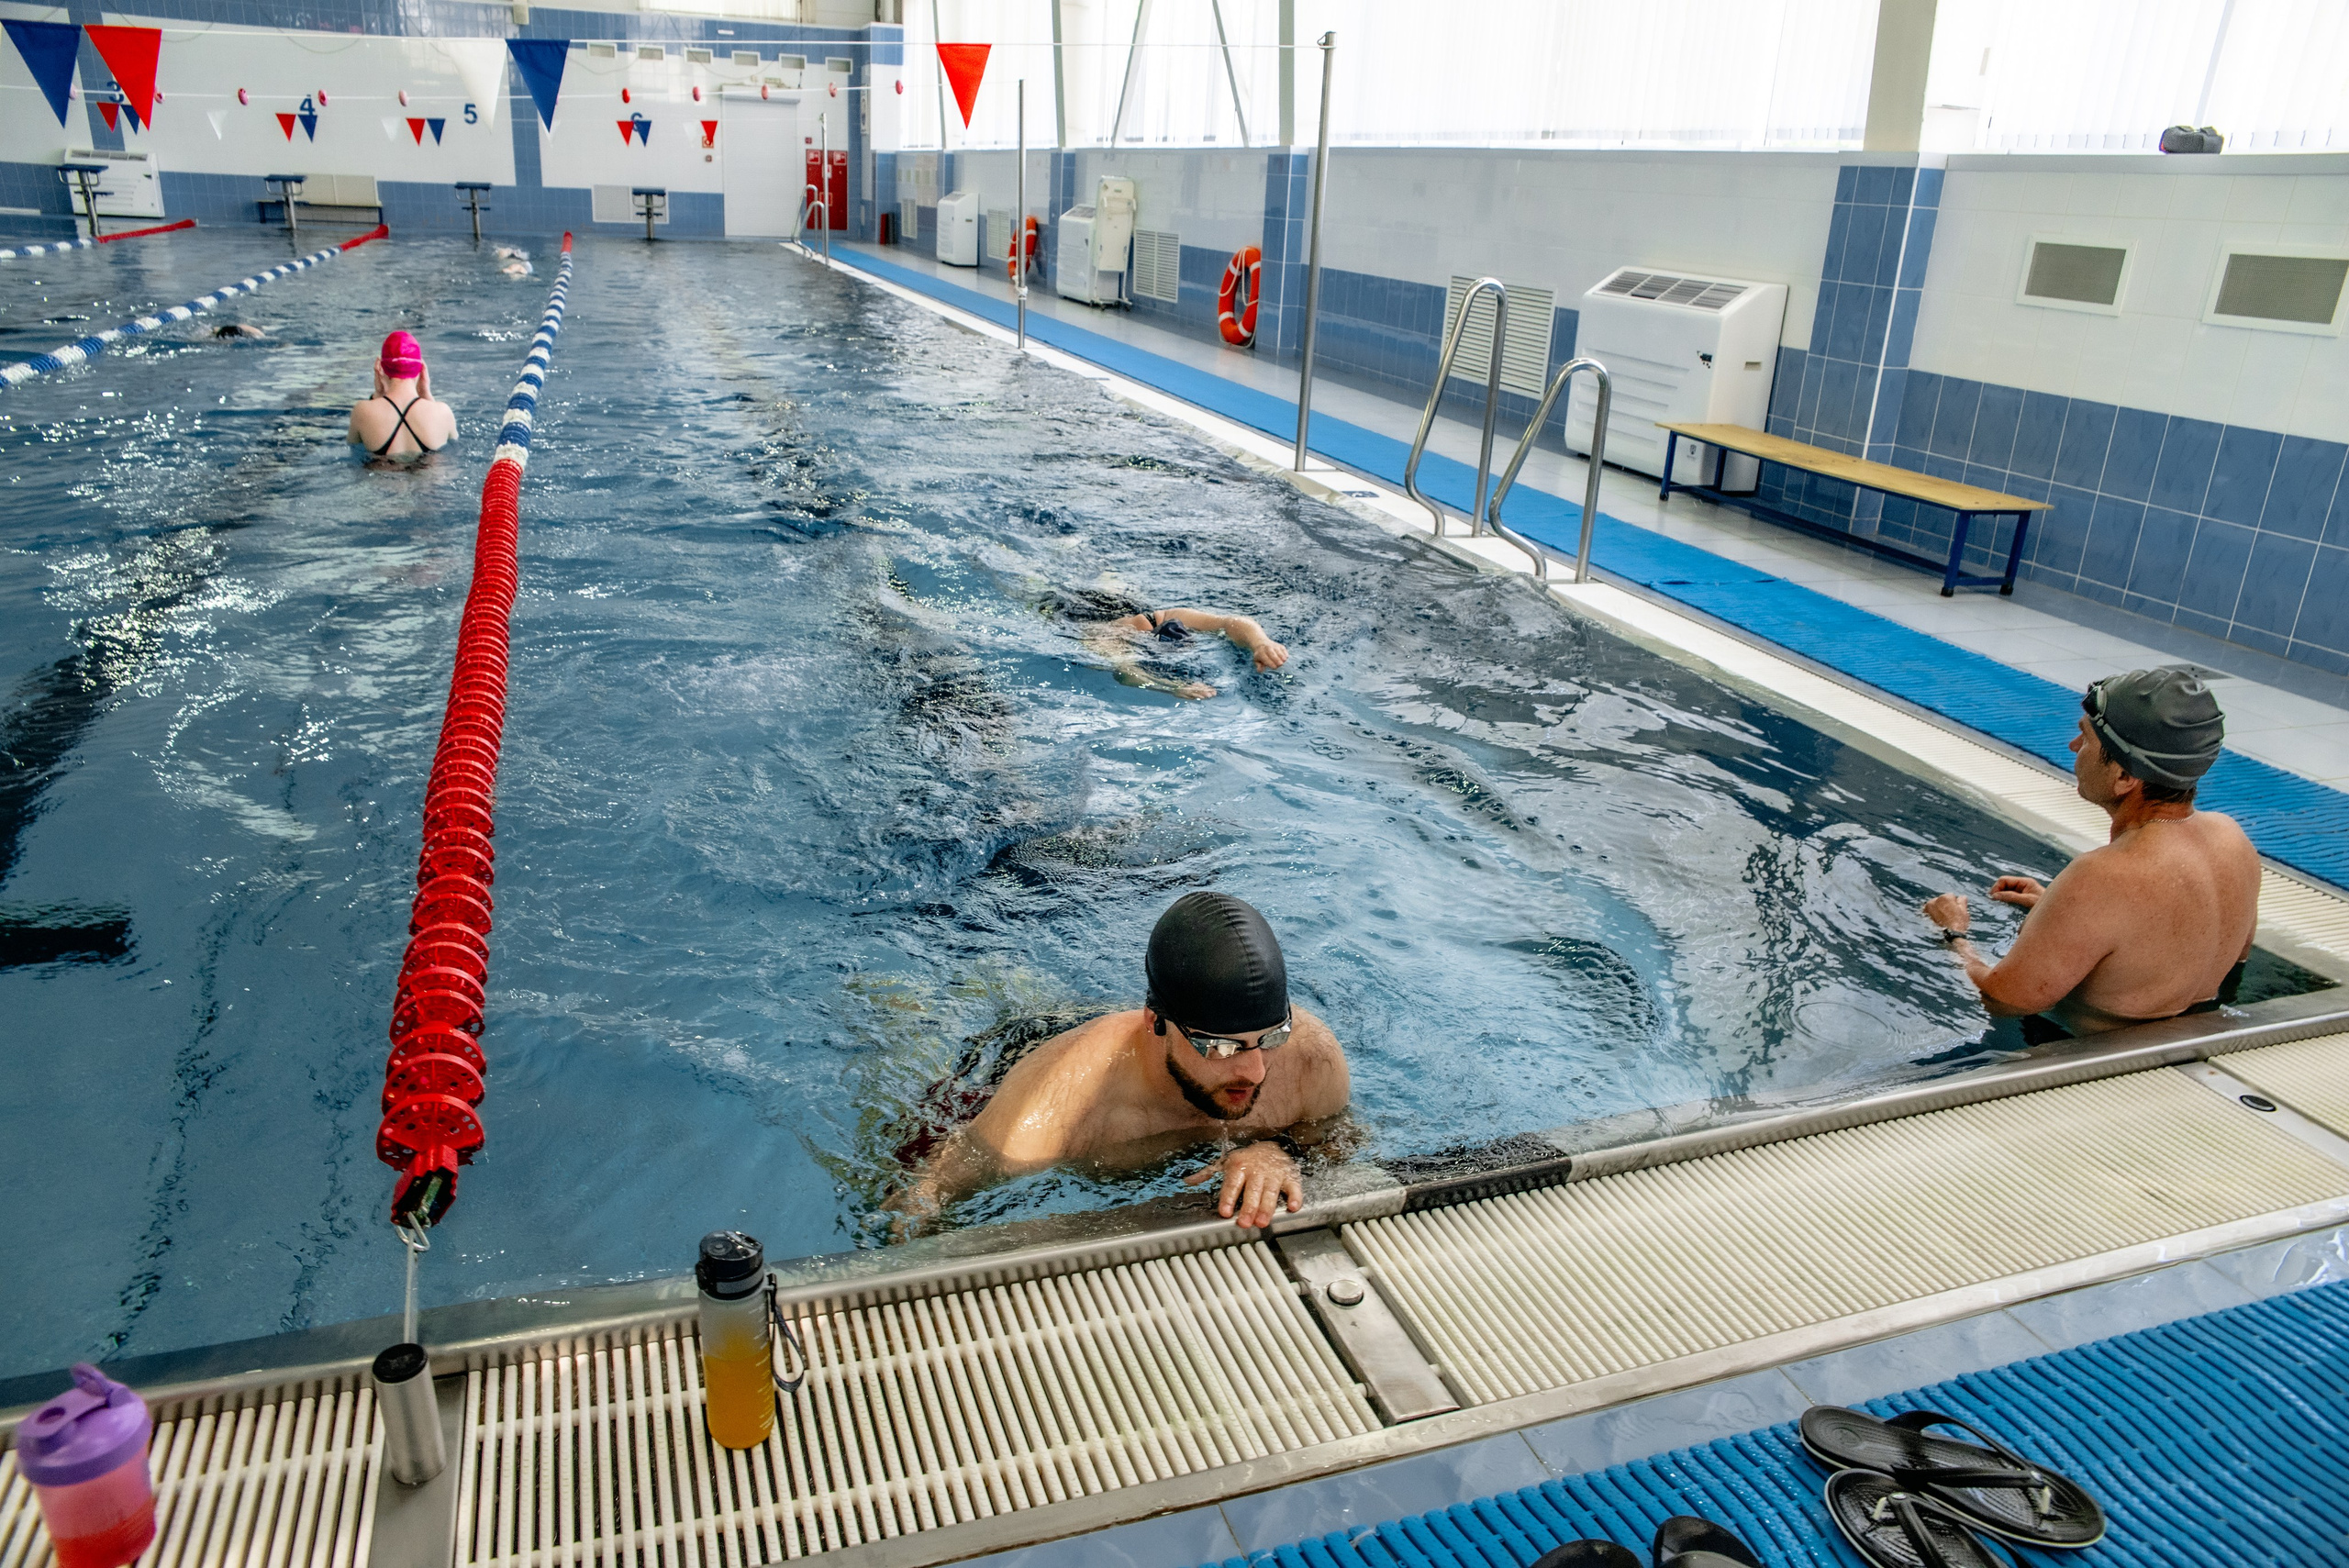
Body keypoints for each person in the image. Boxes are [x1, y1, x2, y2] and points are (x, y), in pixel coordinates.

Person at [901, 891, 1350, 1229]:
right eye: (1222, 1046)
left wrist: (1280, 1150)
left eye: (1271, 1037)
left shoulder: (1310, 1059)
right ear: (1156, 1020)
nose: (1256, 1072)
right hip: (1016, 1060)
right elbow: (922, 1198)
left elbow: (1341, 1141)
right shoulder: (1048, 1115)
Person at [1921, 666, 2259, 1040]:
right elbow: (2232, 960)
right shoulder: (2234, 840)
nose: (2073, 747)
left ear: (2124, 778)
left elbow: (2003, 1000)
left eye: (2085, 738)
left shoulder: (2103, 877)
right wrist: (2062, 912)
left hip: (2097, 1061)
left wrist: (1954, 935)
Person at [1045, 586, 1288, 700]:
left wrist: (1261, 642)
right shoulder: (1103, 638)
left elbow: (1231, 623)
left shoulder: (1156, 618)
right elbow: (1127, 673)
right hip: (1060, 609)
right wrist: (1172, 687)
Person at [347, 330, 455, 461]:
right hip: (429, 478)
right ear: (421, 369)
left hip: (381, 477)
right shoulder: (443, 412)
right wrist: (426, 394)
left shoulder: (362, 410)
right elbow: (452, 447)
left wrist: (378, 395)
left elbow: (353, 448)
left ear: (380, 368)